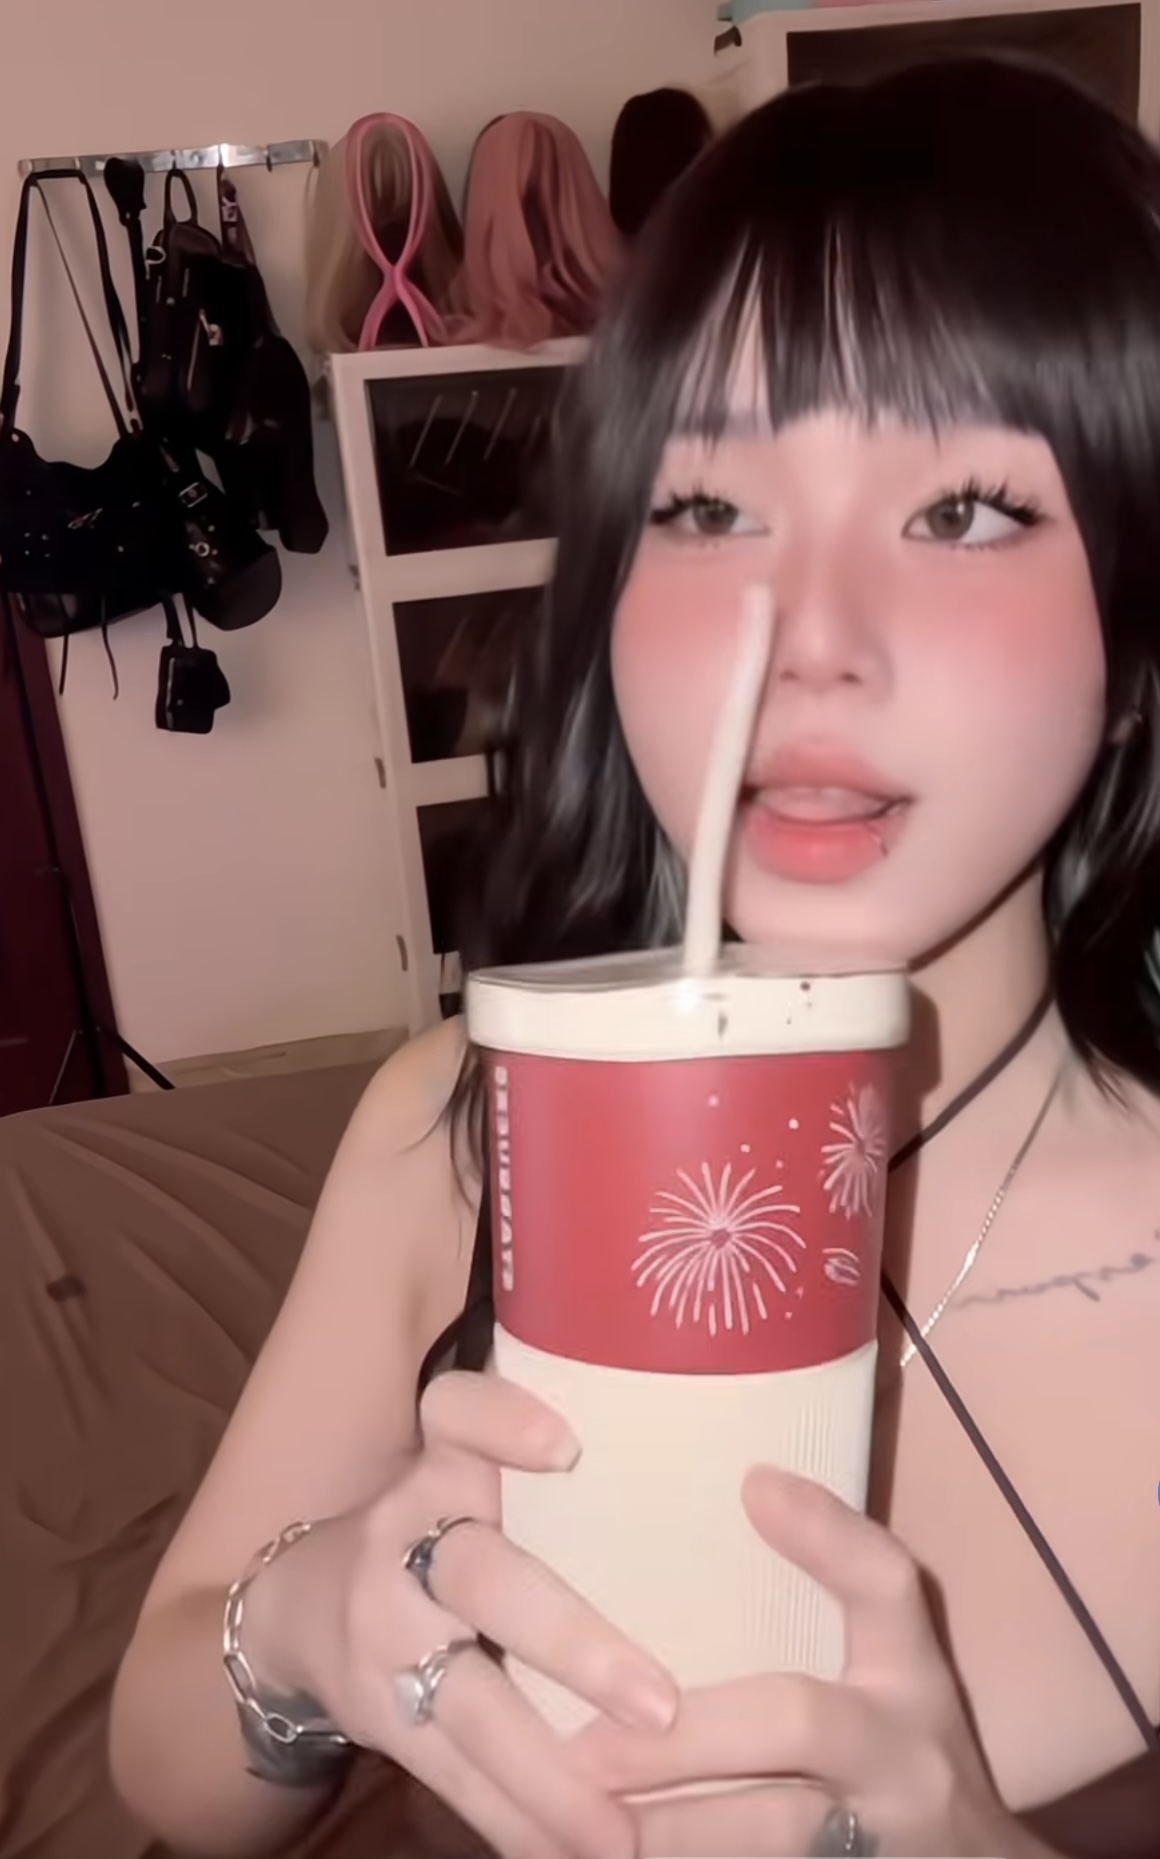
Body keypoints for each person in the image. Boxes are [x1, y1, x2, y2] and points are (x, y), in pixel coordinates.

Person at [109, 53, 1160, 1859]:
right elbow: (165, 1764)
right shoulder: (457, 1131)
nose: (806, 634)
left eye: (964, 512)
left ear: (1139, 648)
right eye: (709, 509)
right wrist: (306, 1632)